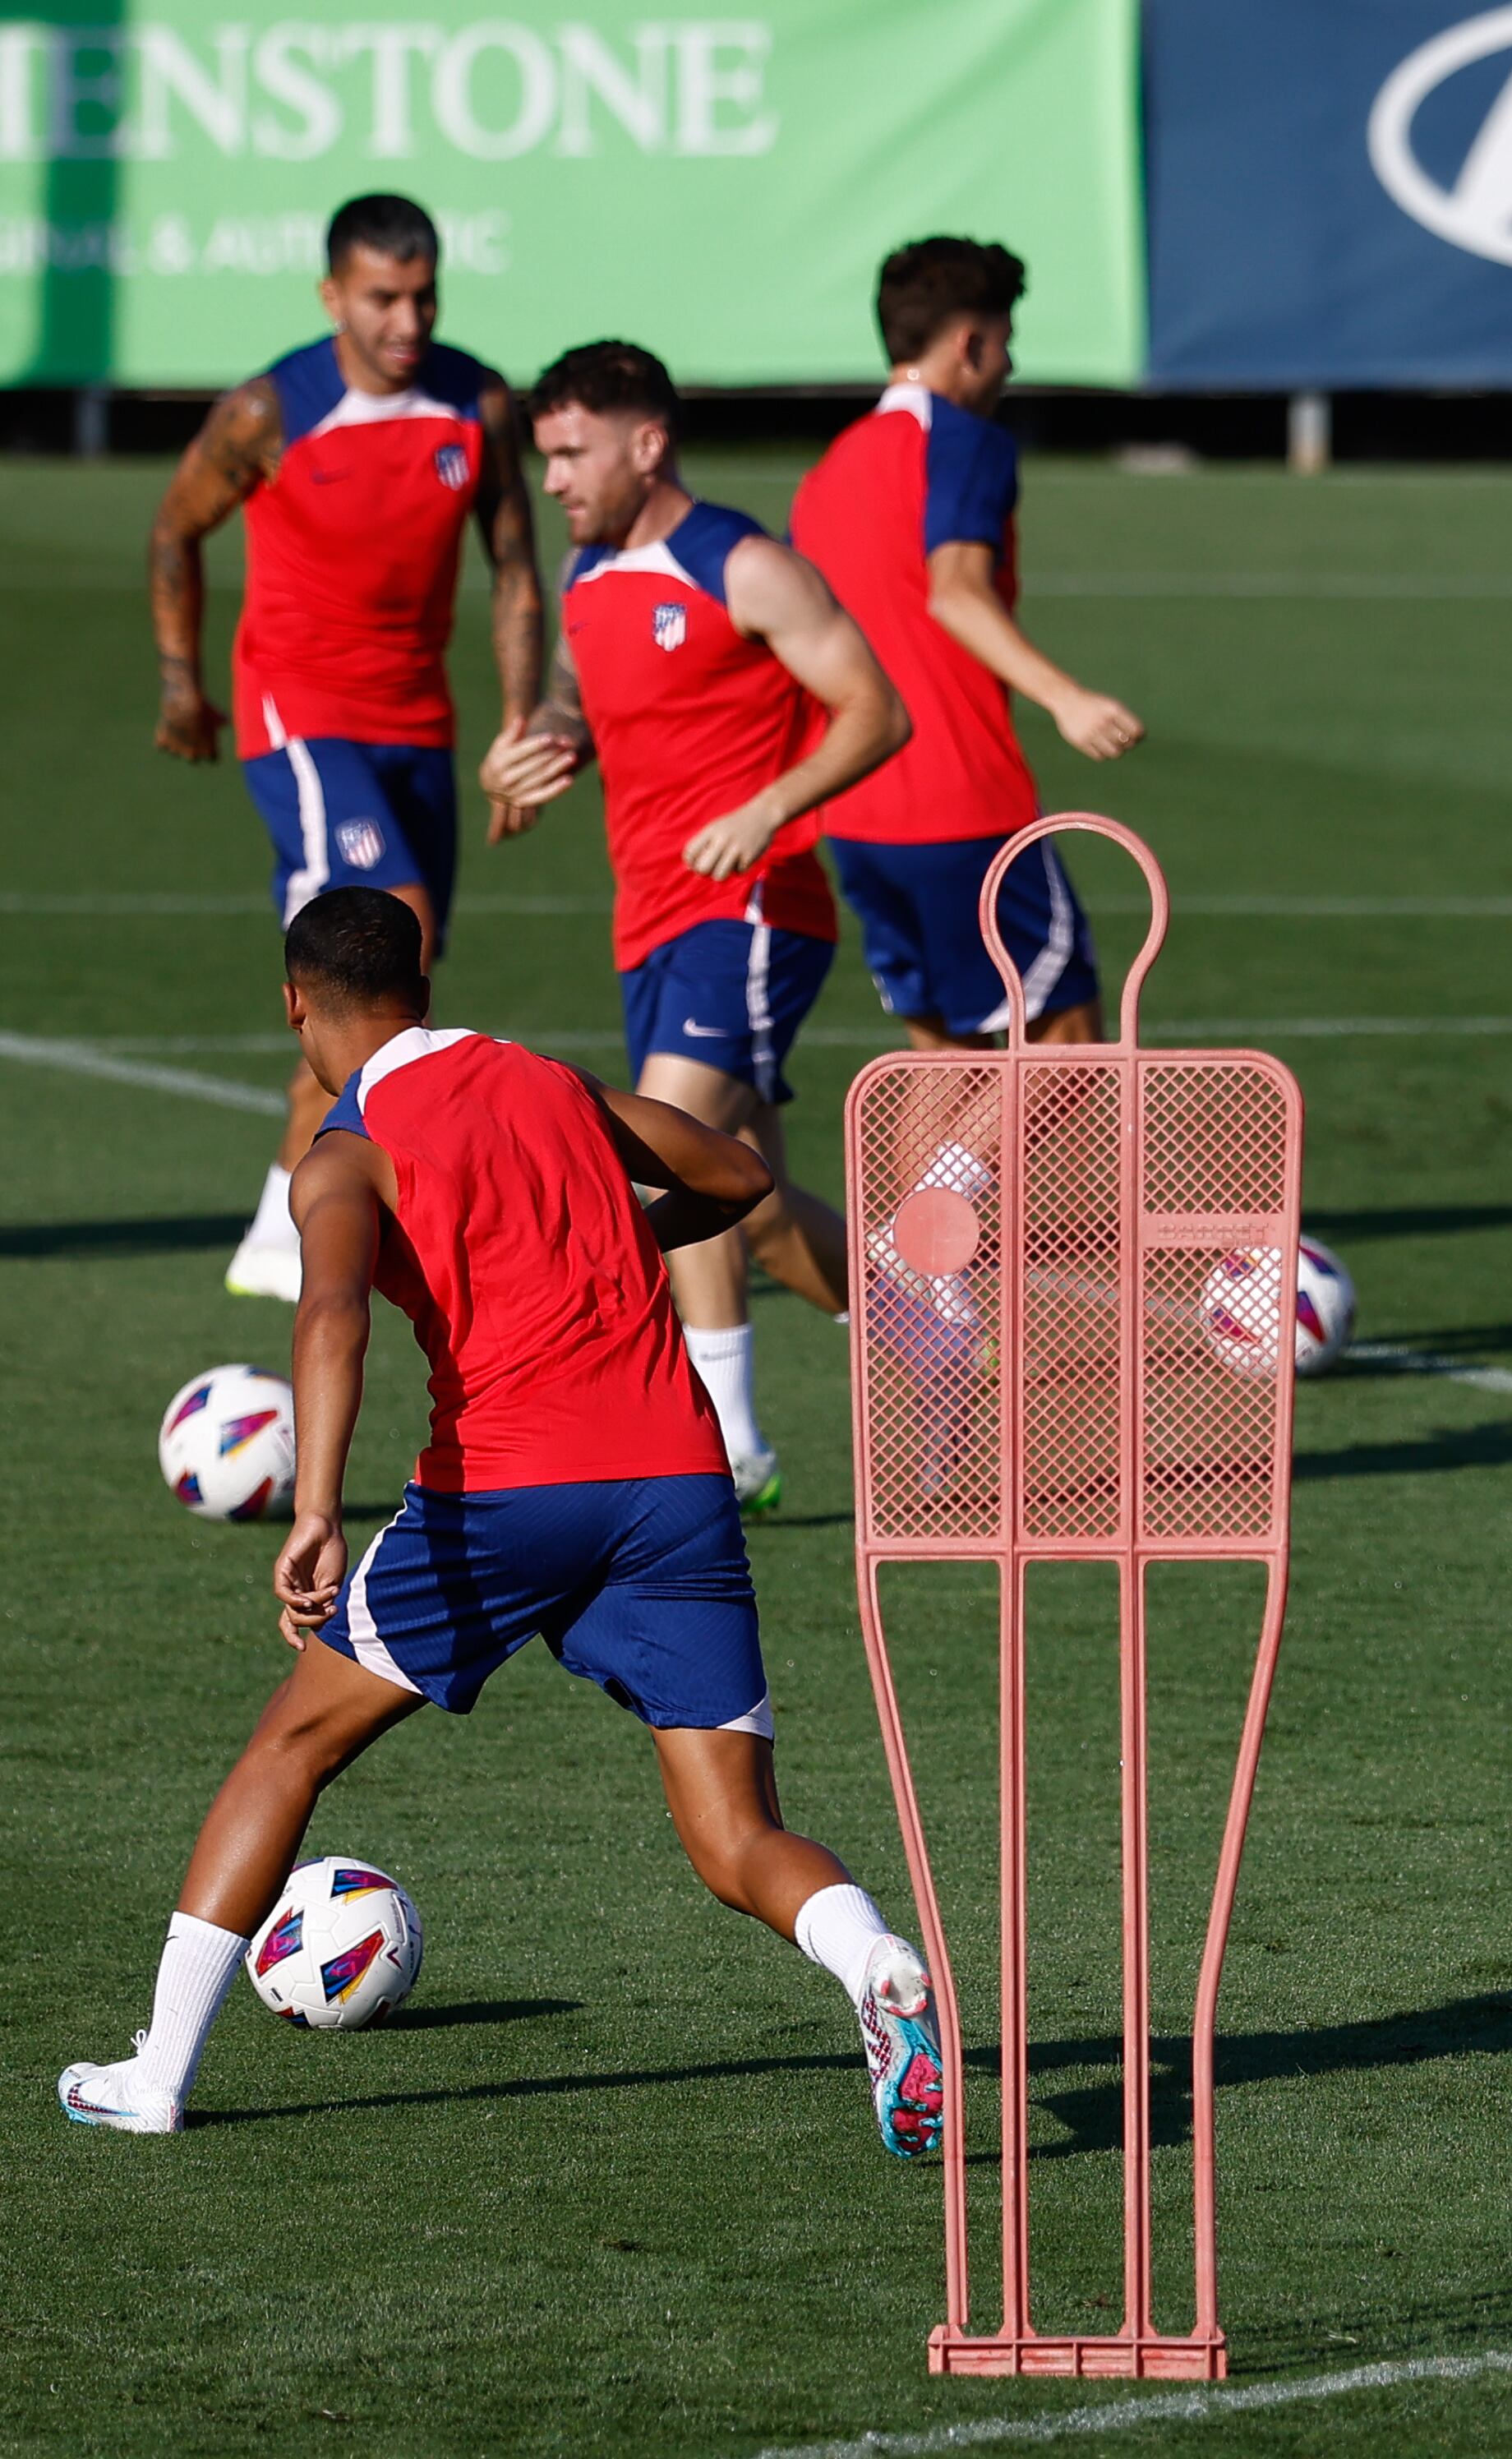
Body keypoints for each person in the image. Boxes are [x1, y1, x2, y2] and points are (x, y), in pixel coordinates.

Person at [58, 889, 943, 2152]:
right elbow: (735, 1175)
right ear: (419, 985)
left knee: (288, 1752)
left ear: (296, 1004)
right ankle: (878, 1968)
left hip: (504, 1495)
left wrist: (317, 1509)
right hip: (675, 1486)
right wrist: (609, 1236)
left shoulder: (347, 1150)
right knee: (736, 1834)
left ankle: (155, 2076)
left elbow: (332, 1317)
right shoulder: (546, 1081)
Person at [481, 342, 910, 1509]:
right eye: (547, 455)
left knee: (656, 1147)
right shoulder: (585, 571)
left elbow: (878, 710)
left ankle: (721, 1448)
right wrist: (547, 743)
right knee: (751, 1208)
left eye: (574, 454)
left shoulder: (746, 565)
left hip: (758, 905)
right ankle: (934, 1342)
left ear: (648, 445)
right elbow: (578, 689)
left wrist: (769, 807)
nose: (555, 479)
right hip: (651, 919)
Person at [148, 192, 542, 1303]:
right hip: (300, 716)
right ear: (333, 298)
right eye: (383, 297)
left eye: (424, 294)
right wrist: (183, 678)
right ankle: (316, 1226)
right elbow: (175, 525)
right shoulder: (271, 411)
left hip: (421, 724)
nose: (408, 318)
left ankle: (277, 1229)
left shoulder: (479, 403)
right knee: (391, 924)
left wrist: (519, 723)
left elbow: (513, 564)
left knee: (382, 980)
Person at [790, 237, 1140, 1056]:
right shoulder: (966, 442)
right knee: (1071, 1042)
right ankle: (955, 1185)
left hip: (857, 813)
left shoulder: (827, 471)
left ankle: (929, 1190)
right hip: (962, 805)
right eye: (1005, 341)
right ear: (970, 343)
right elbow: (955, 589)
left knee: (944, 1059)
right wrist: (1068, 698)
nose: (1010, 365)